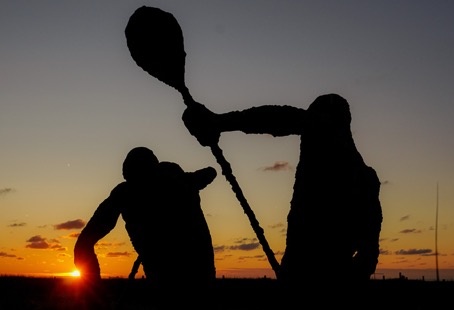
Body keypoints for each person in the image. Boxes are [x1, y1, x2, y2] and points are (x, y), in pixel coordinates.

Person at [182, 93, 383, 300]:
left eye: (313, 119)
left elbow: (280, 118)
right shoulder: (361, 176)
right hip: (300, 277)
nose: (309, 124)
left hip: (325, 286)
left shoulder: (362, 178)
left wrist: (220, 122)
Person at [74, 146, 217, 308]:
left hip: (192, 272)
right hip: (172, 275)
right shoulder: (128, 193)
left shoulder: (174, 181)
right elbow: (210, 173)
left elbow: (209, 174)